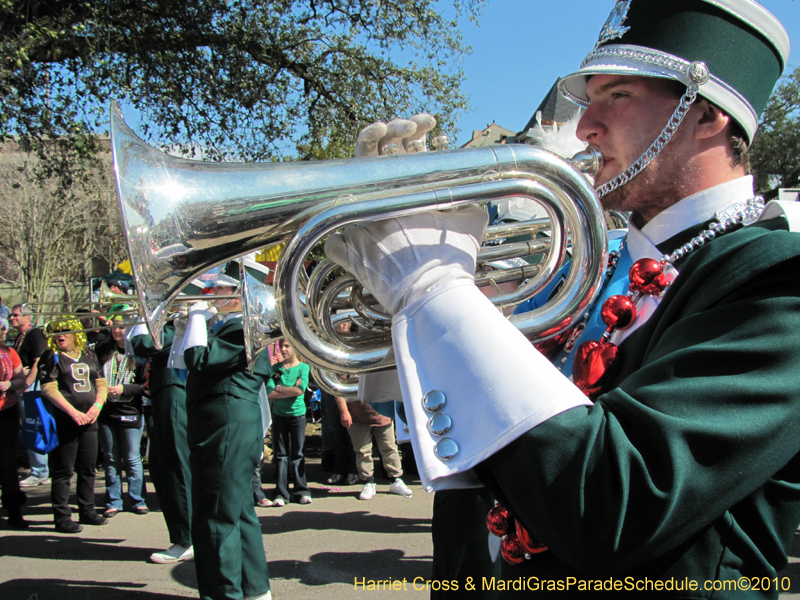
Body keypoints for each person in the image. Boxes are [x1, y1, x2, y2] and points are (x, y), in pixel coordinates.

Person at [325, 1, 800, 595]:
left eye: (617, 96)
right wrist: (399, 300)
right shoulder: (590, 260)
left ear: (705, 114)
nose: (585, 127)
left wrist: (433, 286)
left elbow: (616, 503)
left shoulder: (777, 280)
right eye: (589, 100)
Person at [181, 264, 273, 600]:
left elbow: (198, 360)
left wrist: (196, 316)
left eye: (217, 289)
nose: (209, 294)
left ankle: (223, 594)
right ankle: (255, 590)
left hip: (225, 427)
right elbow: (180, 362)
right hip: (225, 425)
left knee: (215, 515)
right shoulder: (229, 327)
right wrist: (186, 326)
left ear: (238, 295)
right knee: (238, 510)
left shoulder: (242, 328)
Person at [129, 318, 194, 564]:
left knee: (175, 465)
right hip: (165, 390)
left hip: (173, 389)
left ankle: (186, 539)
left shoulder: (176, 325)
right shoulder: (171, 323)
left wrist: (141, 318)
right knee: (161, 465)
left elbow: (143, 344)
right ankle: (186, 536)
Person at [39, 316, 109, 533]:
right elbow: (48, 388)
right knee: (63, 470)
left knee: (88, 467)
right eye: (57, 332)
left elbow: (101, 383)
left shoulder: (88, 354)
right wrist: (72, 412)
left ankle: (87, 510)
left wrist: (97, 406)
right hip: (66, 420)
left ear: (76, 333)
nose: (61, 336)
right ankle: (62, 517)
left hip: (90, 419)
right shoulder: (52, 356)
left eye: (66, 331)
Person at [95, 310, 148, 517]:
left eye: (123, 327)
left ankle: (138, 499)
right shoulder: (102, 351)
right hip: (107, 412)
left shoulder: (139, 353)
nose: (118, 331)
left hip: (130, 412)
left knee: (132, 459)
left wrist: (124, 389)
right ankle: (113, 501)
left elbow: (146, 386)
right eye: (115, 326)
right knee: (110, 459)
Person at [335, 395, 413, 501]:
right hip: (356, 415)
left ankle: (396, 480)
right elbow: (339, 392)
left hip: (383, 414)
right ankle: (368, 482)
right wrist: (344, 412)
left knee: (389, 449)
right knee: (362, 451)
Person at [10, 303, 51, 488]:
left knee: (34, 426)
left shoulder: (35, 334)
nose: (12, 318)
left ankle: (40, 472)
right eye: (11, 315)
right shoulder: (21, 336)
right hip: (24, 386)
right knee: (29, 426)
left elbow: (38, 361)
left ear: (28, 317)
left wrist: (26, 383)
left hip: (32, 387)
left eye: (16, 315)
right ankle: (39, 470)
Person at [268, 339, 311, 506]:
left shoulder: (302, 368)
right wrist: (288, 389)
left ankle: (301, 490)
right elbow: (269, 391)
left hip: (297, 416)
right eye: (281, 346)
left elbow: (300, 390)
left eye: (287, 346)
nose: (283, 349)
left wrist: (281, 388)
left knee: (297, 454)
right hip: (279, 415)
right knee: (281, 455)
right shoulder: (277, 370)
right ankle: (281, 492)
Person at [0, 316, 29, 528]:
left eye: (3, 329)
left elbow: (22, 380)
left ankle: (14, 511)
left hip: (6, 413)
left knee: (8, 464)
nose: (4, 332)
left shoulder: (9, 353)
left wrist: (9, 384)